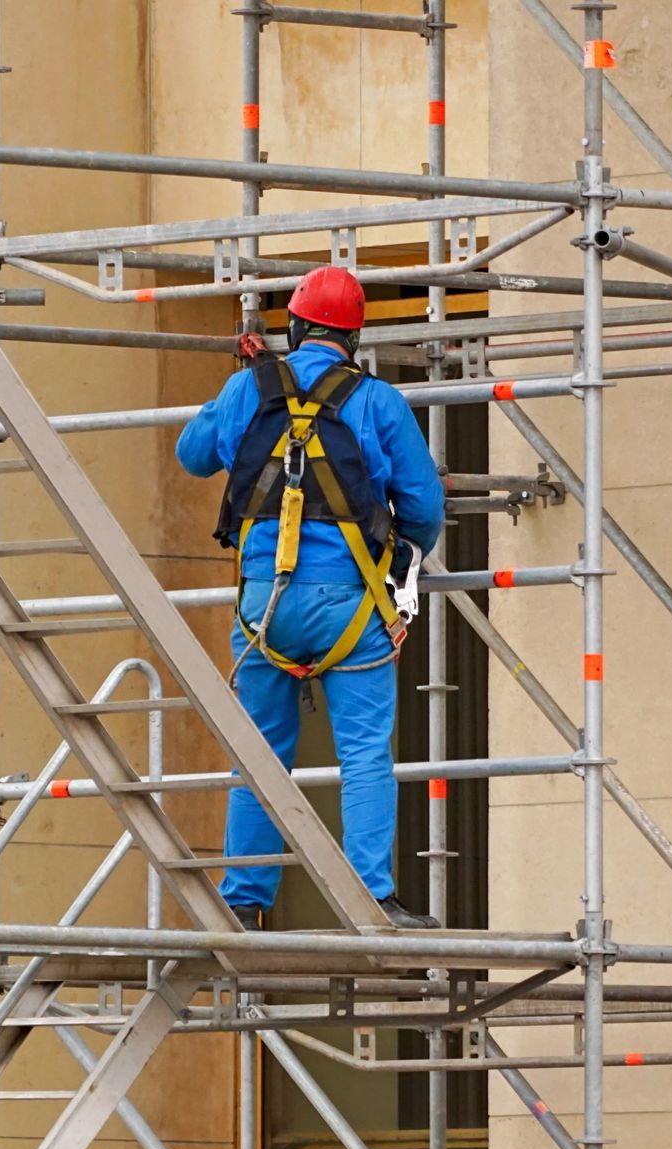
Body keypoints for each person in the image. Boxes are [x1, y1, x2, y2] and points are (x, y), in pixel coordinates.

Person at [175, 265, 445, 931]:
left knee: (262, 753)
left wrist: (238, 389)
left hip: (262, 606)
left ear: (295, 327)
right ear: (353, 339)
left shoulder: (248, 388)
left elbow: (192, 453)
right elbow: (423, 508)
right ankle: (369, 901)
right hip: (348, 607)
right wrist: (395, 574)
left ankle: (244, 901)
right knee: (363, 753)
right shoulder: (378, 401)